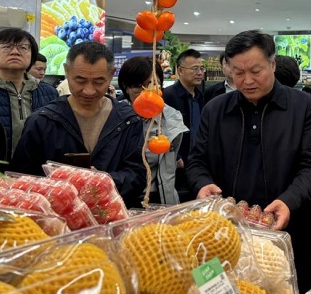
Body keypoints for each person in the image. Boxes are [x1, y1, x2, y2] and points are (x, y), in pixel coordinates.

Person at [187, 30, 311, 294]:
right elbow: (196, 161)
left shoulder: (303, 106)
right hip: (226, 233)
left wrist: (289, 201)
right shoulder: (215, 109)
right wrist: (202, 184)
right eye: (238, 72)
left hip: (289, 230)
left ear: (272, 64)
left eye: (256, 71)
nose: (247, 80)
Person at [11, 42, 146, 207]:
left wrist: (103, 182)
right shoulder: (43, 121)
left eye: (98, 82)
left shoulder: (128, 120)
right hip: (56, 215)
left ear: (111, 74)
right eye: (80, 80)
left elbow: (138, 175)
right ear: (67, 71)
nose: (89, 90)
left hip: (114, 214)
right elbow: (22, 180)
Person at [118, 56, 187, 205]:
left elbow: (170, 162)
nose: (146, 92)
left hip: (161, 198)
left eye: (152, 84)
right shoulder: (116, 117)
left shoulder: (171, 117)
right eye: (138, 86)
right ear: (126, 87)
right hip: (122, 197)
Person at [0, 29, 58, 156]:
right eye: (6, 46)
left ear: (32, 55)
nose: (15, 52)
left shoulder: (49, 93)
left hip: (36, 167)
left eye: (23, 47)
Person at [163, 49, 205, 202]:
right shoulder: (167, 96)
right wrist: (175, 155)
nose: (199, 73)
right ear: (180, 71)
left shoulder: (201, 96)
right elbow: (160, 130)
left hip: (197, 161)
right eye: (194, 69)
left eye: (201, 68)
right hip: (176, 163)